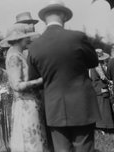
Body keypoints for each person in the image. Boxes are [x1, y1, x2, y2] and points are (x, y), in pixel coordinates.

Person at [28, 0, 100, 152]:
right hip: (82, 105)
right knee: (84, 148)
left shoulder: (34, 46)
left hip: (54, 107)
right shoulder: (77, 37)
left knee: (61, 149)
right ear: (64, 17)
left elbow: (34, 79)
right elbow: (93, 61)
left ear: (44, 18)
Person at [4, 23, 50, 152]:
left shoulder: (18, 54)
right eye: (26, 38)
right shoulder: (14, 56)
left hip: (30, 102)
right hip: (26, 104)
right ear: (18, 39)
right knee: (30, 139)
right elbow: (17, 85)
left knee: (34, 138)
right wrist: (39, 81)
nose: (28, 40)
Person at [90, 49, 114, 133]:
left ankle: (101, 127)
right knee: (104, 109)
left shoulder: (91, 65)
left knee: (100, 108)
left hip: (96, 89)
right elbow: (103, 77)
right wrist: (109, 81)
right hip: (101, 89)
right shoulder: (97, 65)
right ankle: (104, 127)